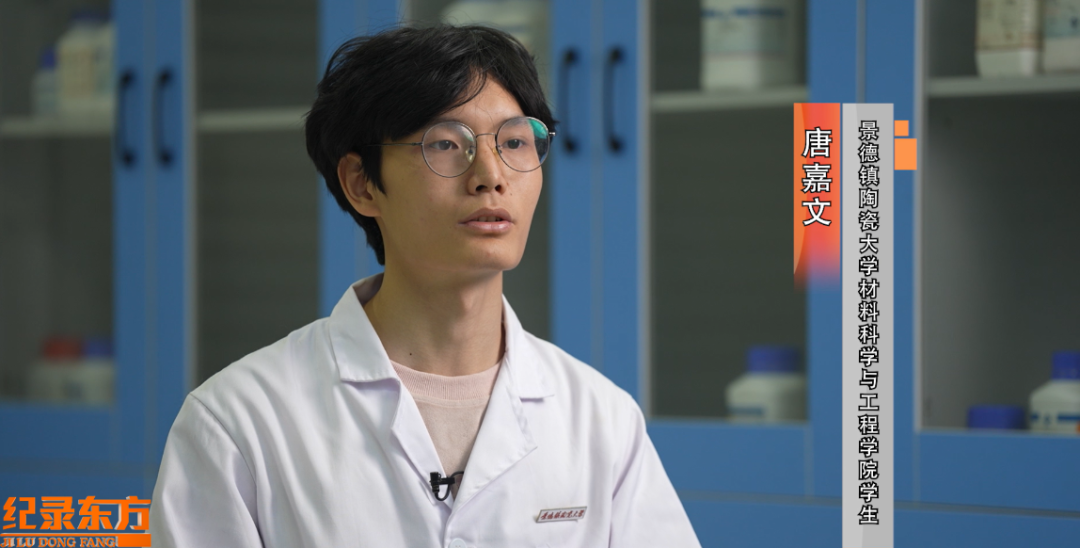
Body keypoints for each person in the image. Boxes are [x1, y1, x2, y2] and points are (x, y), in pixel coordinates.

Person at [149, 24, 701, 548]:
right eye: (445, 144)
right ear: (362, 184)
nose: (491, 175)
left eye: (514, 141)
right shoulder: (240, 421)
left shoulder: (600, 420)